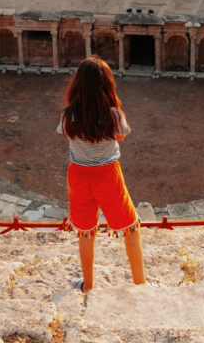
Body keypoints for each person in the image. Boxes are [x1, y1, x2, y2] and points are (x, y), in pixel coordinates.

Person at [57, 55, 146, 293]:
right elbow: (121, 136)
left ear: (77, 84)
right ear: (107, 84)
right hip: (107, 174)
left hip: (78, 175)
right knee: (130, 226)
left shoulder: (70, 115)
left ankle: (88, 285)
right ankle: (140, 283)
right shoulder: (113, 114)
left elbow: (67, 133)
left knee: (85, 231)